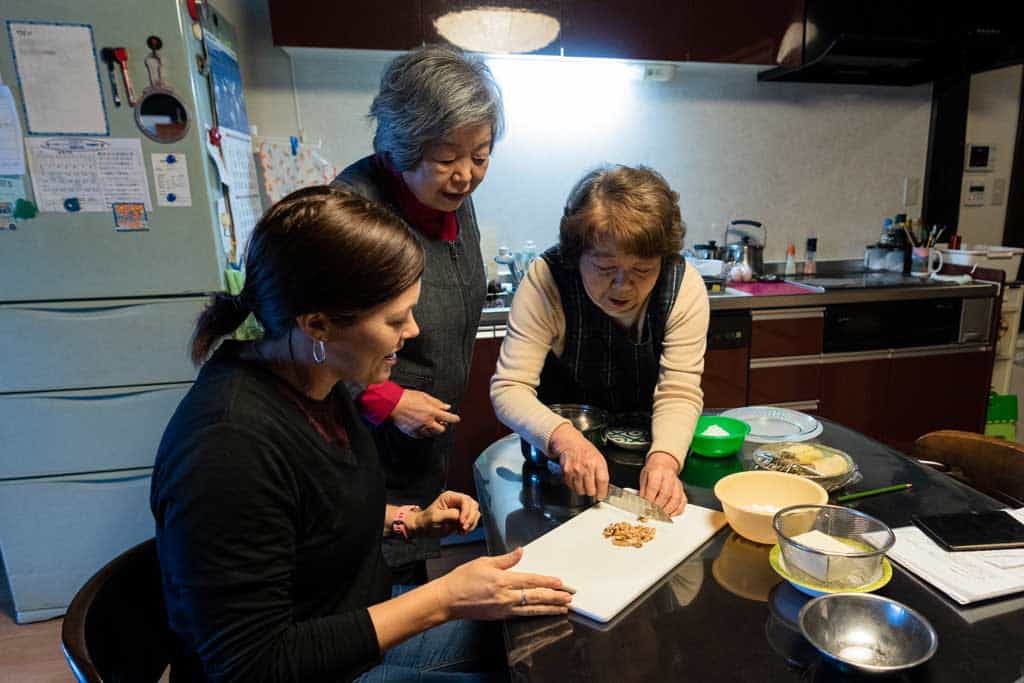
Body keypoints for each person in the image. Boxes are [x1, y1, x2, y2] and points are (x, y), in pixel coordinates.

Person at [151, 187, 571, 682]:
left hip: (349, 647)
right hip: (305, 672)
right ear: (318, 325)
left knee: (542, 634)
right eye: (396, 318)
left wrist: (406, 521)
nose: (412, 331)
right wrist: (443, 598)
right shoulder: (227, 447)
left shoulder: (318, 384)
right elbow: (251, 664)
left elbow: (308, 520)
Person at [331, 45, 502, 579]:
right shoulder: (353, 209)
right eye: (448, 158)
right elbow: (313, 336)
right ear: (401, 145)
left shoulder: (455, 197)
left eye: (481, 154)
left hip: (425, 438)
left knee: (411, 561)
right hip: (365, 437)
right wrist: (386, 399)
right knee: (366, 571)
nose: (466, 175)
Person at [490, 165, 710, 516]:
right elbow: (510, 388)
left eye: (642, 270)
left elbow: (679, 390)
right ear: (576, 255)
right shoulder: (548, 280)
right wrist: (564, 439)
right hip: (559, 465)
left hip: (647, 458)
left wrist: (666, 461)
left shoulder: (683, 286)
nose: (623, 286)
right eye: (605, 269)